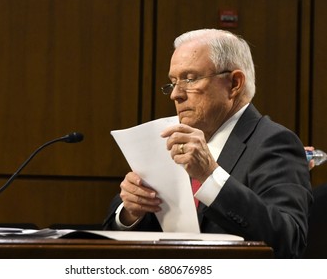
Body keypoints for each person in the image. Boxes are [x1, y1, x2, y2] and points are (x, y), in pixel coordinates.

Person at [103, 29, 312, 258]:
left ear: (234, 83)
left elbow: (288, 240)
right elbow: (118, 231)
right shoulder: (168, 139)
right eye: (173, 82)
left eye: (190, 79)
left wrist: (211, 176)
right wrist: (130, 213)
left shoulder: (274, 142)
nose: (176, 94)